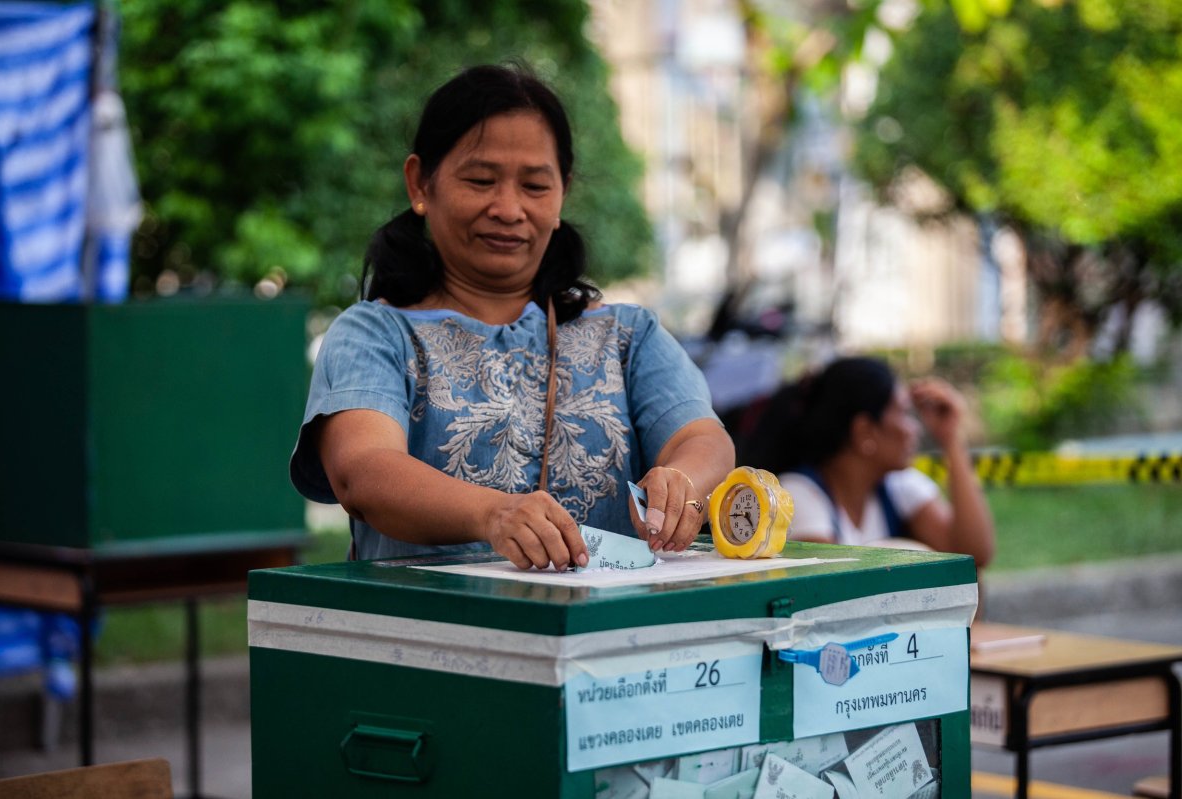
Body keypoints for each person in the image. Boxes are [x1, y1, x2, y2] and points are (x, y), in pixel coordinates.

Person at [289, 64, 734, 570]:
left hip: (606, 641)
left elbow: (701, 438)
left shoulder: (627, 335)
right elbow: (363, 471)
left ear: (562, 191)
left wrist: (684, 484)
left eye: (535, 186)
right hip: (430, 638)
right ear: (420, 183)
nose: (508, 208)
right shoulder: (373, 336)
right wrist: (493, 515)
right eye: (480, 180)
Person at [738, 356, 994, 567]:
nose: (915, 428)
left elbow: (973, 556)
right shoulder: (797, 494)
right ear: (865, 431)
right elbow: (834, 589)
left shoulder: (897, 486)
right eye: (904, 413)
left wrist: (951, 440)